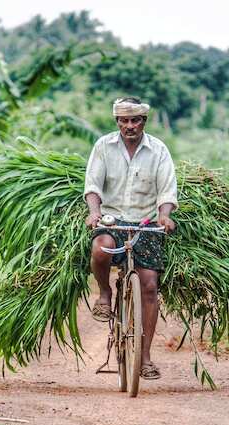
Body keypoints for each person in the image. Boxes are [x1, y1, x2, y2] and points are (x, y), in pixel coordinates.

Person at [83, 97, 178, 380]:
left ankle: (145, 357)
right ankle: (104, 293)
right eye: (124, 121)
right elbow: (93, 186)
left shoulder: (158, 150)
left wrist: (164, 214)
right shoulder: (103, 146)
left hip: (145, 223)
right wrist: (94, 213)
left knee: (149, 285)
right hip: (112, 219)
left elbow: (167, 190)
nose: (129, 126)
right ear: (117, 122)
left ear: (143, 122)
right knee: (101, 249)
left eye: (135, 120)